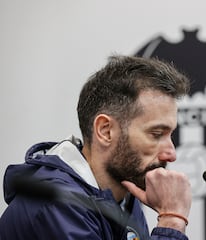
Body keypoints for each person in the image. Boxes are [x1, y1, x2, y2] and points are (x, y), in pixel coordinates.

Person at [0, 55, 192, 240]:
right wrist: (172, 221)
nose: (171, 154)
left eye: (170, 135)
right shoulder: (56, 203)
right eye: (156, 134)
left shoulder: (124, 195)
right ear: (105, 131)